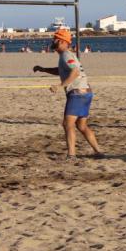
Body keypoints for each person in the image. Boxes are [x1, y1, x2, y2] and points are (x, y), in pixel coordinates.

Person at [33, 29, 101, 160]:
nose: (53, 41)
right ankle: (98, 152)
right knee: (81, 126)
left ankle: (71, 155)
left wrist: (60, 86)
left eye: (56, 39)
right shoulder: (65, 55)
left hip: (77, 94)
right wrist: (43, 69)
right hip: (86, 92)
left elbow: (75, 72)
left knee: (67, 124)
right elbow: (61, 71)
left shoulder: (66, 55)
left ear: (63, 42)